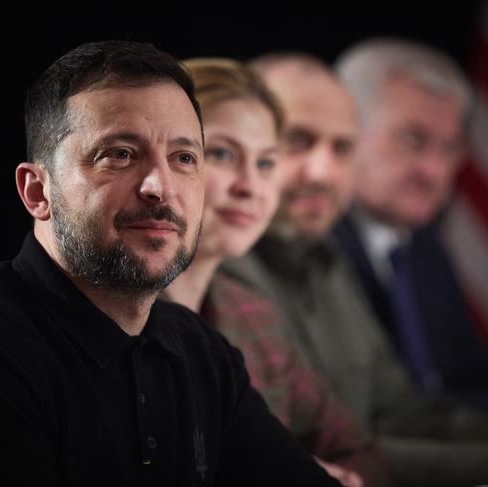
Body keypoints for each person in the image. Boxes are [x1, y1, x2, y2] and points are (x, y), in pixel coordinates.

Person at [0, 41, 341, 487]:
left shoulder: (204, 354)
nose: (160, 187)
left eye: (183, 158)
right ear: (37, 191)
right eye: (120, 154)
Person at [222, 52, 488, 487]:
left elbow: (400, 409)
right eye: (296, 141)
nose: (322, 172)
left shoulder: (327, 260)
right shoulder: (220, 276)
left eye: (342, 147)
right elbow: (295, 454)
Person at [164, 57, 390, 487]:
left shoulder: (252, 312)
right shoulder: (118, 316)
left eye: (267, 163)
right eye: (223, 154)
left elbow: (359, 448)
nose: (251, 186)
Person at [333, 37, 488, 417]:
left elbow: (470, 379)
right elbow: (372, 416)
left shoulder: (423, 247)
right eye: (412, 140)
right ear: (345, 131)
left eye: (450, 147)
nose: (435, 171)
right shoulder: (311, 252)